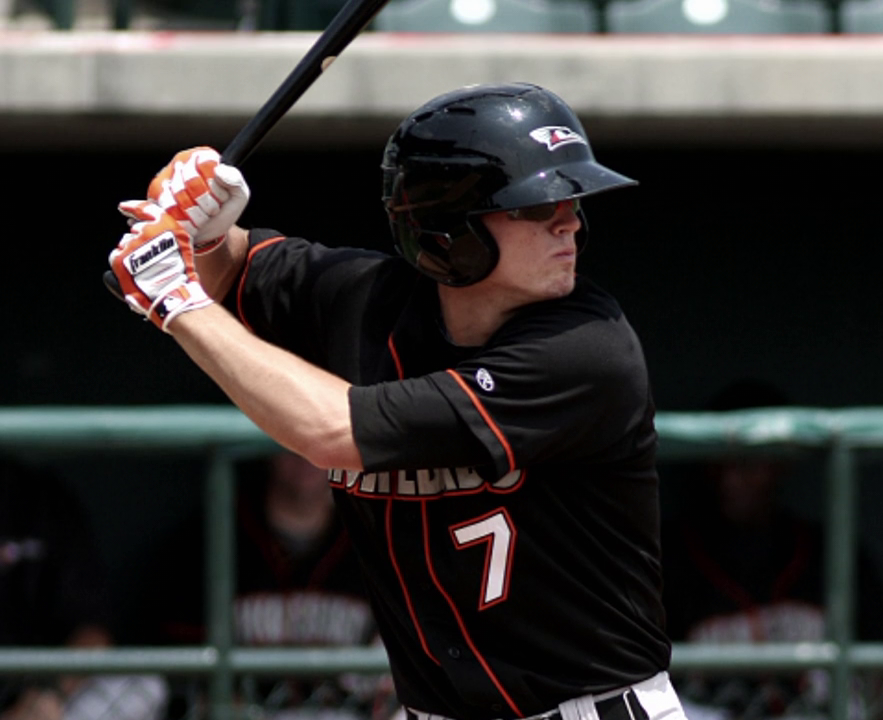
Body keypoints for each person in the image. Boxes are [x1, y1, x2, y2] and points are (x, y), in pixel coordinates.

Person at [104, 82, 684, 720]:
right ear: (450, 224)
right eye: (537, 205)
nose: (568, 220)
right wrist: (206, 232)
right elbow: (234, 269)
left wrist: (178, 300)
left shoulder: (585, 350)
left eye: (571, 200)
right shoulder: (365, 301)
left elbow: (331, 432)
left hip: (593, 707)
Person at [661, 378, 883, 720]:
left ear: (781, 463)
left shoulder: (828, 552)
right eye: (718, 463)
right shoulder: (671, 557)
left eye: (746, 463)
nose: (729, 479)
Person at [139, 450, 391, 720]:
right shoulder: (212, 536)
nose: (305, 457)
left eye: (314, 443)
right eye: (292, 444)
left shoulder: (373, 543)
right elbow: (182, 662)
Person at [0, 455, 166, 720]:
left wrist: (49, 693)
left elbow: (93, 633)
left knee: (141, 686)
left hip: (42, 699)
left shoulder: (37, 497)